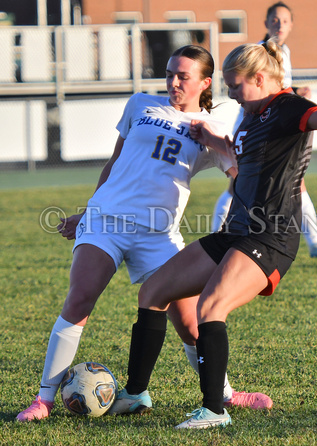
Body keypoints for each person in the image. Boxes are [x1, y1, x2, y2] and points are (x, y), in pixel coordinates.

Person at [116, 40, 317, 430]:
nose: (230, 94)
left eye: (235, 86)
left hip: (269, 237)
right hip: (235, 230)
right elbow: (243, 156)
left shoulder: (289, 108)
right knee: (153, 292)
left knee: (211, 307)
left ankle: (214, 410)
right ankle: (134, 394)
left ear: (260, 78)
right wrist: (213, 141)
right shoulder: (251, 115)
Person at [16, 45, 273, 423]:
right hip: (107, 221)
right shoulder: (140, 104)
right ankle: (44, 400)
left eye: (183, 76)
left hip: (158, 234)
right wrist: (87, 211)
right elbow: (115, 162)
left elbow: (238, 175)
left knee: (190, 323)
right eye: (169, 73)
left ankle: (223, 394)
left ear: (204, 82)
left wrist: (225, 154)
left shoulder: (213, 127)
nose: (173, 82)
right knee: (80, 299)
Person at [212, 2, 317, 258]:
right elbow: (262, 93)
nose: (279, 25)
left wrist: (296, 92)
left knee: (295, 181)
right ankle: (218, 238)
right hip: (257, 126)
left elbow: (277, 91)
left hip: (276, 124)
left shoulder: (284, 51)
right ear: (266, 23)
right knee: (237, 183)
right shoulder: (258, 52)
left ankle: (314, 241)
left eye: (284, 21)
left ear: (291, 25)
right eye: (275, 20)